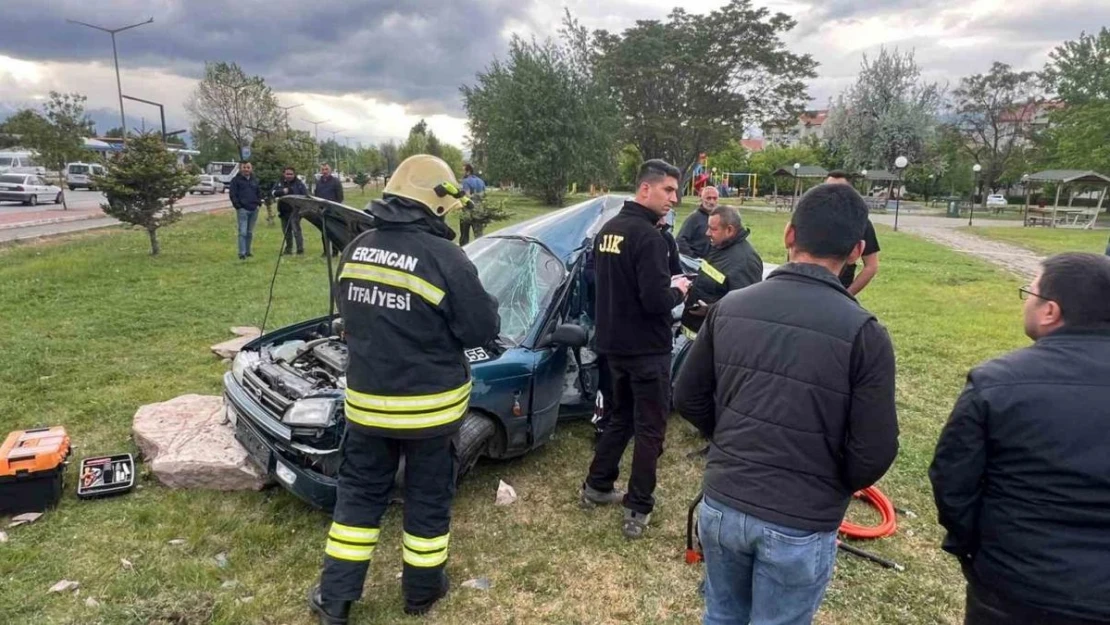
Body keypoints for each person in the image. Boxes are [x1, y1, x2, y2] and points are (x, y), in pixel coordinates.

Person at [674, 183, 899, 625]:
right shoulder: (866, 333)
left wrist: (732, 440)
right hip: (799, 521)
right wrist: (830, 484)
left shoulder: (730, 308)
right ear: (856, 251)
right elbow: (874, 450)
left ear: (789, 235)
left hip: (724, 505)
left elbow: (687, 395)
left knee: (721, 616)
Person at [308, 155, 501, 625]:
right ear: (434, 201)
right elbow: (481, 329)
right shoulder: (445, 258)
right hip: (430, 414)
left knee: (358, 498)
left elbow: (350, 318)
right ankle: (421, 593)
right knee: (428, 498)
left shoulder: (358, 247)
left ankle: (335, 600)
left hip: (368, 409)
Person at [929, 252, 1110, 625]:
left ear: (1050, 311)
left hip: (1014, 587)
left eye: (1030, 291)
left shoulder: (996, 383)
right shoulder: (997, 384)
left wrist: (977, 551)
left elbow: (953, 483)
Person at [578, 159, 691, 540]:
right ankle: (638, 506)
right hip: (647, 350)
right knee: (650, 429)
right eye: (669, 190)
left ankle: (597, 485)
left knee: (620, 418)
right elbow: (657, 300)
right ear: (646, 189)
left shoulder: (608, 230)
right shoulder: (649, 238)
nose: (675, 198)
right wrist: (681, 289)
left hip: (614, 347)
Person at [678, 205, 763, 341]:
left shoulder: (746, 261)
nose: (707, 233)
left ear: (729, 230)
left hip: (711, 342)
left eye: (713, 229)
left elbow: (744, 307)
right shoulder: (718, 246)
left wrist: (710, 310)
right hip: (692, 334)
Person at [826, 171, 881, 295]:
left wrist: (847, 295)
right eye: (828, 188)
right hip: (806, 290)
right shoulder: (809, 218)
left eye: (839, 189)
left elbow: (871, 266)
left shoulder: (861, 223)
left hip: (839, 291)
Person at [228, 161, 262, 260]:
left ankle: (248, 251)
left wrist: (259, 203)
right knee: (242, 232)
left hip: (254, 209)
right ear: (240, 168)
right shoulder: (236, 180)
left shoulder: (254, 180)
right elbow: (232, 194)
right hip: (243, 209)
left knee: (250, 232)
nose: (246, 169)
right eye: (244, 167)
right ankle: (241, 253)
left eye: (248, 167)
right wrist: (238, 206)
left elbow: (258, 192)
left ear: (251, 169)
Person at [272, 167, 309, 255]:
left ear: (294, 174)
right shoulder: (280, 183)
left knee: (296, 231)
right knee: (286, 231)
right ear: (284, 174)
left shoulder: (299, 184)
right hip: (283, 211)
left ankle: (300, 249)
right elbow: (273, 192)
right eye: (287, 174)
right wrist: (282, 191)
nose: (289, 176)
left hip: (295, 211)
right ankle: (288, 249)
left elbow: (305, 196)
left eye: (291, 174)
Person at [676, 186, 719, 259]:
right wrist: (693, 257)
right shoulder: (694, 218)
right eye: (708, 198)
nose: (712, 202)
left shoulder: (719, 217)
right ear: (701, 199)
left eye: (714, 198)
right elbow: (680, 240)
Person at [313, 164, 344, 256]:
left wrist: (334, 207)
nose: (325, 171)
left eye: (326, 169)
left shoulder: (336, 182)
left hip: (333, 210)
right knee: (324, 232)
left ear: (330, 171)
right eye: (323, 169)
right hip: (321, 210)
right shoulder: (319, 182)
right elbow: (316, 195)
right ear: (321, 171)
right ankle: (326, 251)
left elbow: (340, 197)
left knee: (333, 231)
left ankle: (335, 251)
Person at [459, 164, 487, 246]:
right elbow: (485, 195)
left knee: (464, 236)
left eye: (463, 170)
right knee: (479, 235)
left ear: (468, 171)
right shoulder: (481, 181)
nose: (462, 172)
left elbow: (467, 197)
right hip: (479, 210)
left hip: (467, 212)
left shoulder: (466, 181)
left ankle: (464, 252)